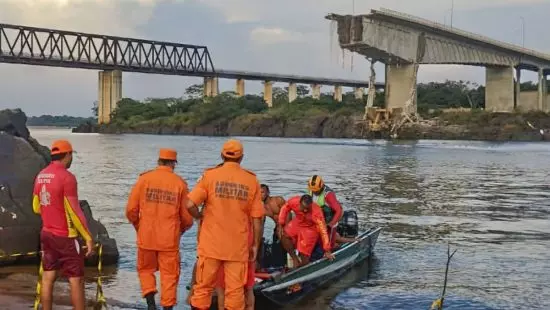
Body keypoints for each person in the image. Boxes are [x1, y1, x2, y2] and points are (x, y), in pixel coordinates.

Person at [187, 139, 265, 310]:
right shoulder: (252, 181)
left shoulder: (209, 176)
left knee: (203, 289)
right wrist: (255, 245)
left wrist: (200, 217)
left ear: (222, 155)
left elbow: (189, 204)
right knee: (235, 292)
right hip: (237, 248)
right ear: (241, 158)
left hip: (210, 245)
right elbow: (257, 219)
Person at [126, 148, 194, 310]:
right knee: (169, 275)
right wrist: (180, 231)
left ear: (159, 161)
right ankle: (167, 307)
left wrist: (139, 226)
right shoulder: (180, 183)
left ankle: (151, 304)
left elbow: (130, 211)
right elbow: (187, 218)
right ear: (173, 164)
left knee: (145, 270)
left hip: (146, 236)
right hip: (169, 239)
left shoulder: (144, 180)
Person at [32, 139, 94, 310]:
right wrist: (88, 237)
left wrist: (51, 210)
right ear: (67, 155)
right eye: (71, 155)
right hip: (66, 236)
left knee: (48, 277)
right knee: (76, 279)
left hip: (47, 234)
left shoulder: (41, 175)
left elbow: (36, 207)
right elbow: (74, 211)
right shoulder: (67, 177)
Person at [278, 194, 335, 268]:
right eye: (303, 207)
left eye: (307, 208)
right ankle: (295, 259)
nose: (305, 210)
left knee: (303, 251)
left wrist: (327, 250)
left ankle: (304, 267)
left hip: (311, 228)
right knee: (284, 234)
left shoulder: (316, 212)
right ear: (299, 203)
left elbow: (323, 230)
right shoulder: (294, 201)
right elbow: (285, 208)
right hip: (298, 222)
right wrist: (280, 223)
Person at [215, 219, 256, 310]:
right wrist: (255, 245)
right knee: (248, 288)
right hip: (245, 245)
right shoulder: (249, 206)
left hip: (223, 248)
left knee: (222, 290)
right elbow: (257, 222)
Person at [307, 175, 343, 246]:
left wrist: (331, 224)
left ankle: (335, 242)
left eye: (316, 191)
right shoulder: (311, 189)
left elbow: (338, 211)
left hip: (329, 219)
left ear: (321, 187)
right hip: (318, 219)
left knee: (329, 245)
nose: (314, 192)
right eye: (313, 191)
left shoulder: (328, 195)